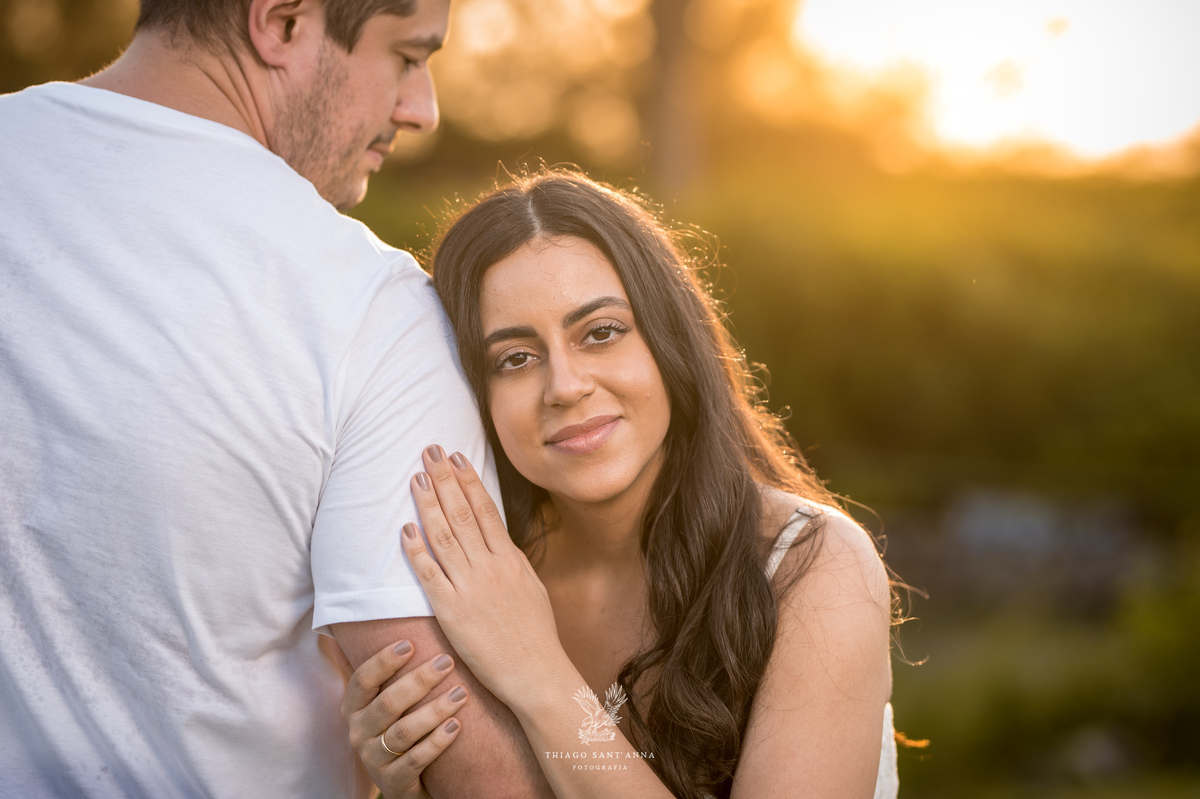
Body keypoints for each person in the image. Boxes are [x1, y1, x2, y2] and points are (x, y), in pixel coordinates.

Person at [0, 1, 552, 796]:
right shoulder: (369, 310)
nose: (422, 109)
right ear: (283, 22)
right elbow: (472, 765)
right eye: (405, 56)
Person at [345, 170, 900, 798]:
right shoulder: (480, 579)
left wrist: (537, 671)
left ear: (670, 340)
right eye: (515, 358)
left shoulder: (812, 566)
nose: (565, 386)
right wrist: (403, 788)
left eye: (601, 332)